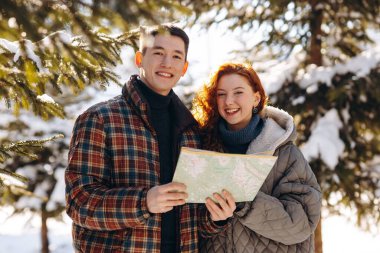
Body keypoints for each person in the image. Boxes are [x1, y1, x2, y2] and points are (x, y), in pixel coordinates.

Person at [65, 24, 233, 253]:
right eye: (158, 53)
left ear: (183, 68)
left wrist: (216, 218)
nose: (167, 63)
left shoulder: (191, 131)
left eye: (176, 56)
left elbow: (194, 218)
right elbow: (80, 203)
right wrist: (144, 202)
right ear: (139, 59)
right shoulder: (100, 119)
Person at [192, 62, 322, 253]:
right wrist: (215, 220)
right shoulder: (202, 149)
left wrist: (244, 201)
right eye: (221, 94)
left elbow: (301, 223)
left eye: (238, 92)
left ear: (256, 98)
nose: (229, 101)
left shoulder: (284, 153)